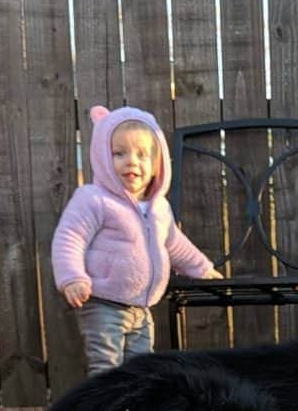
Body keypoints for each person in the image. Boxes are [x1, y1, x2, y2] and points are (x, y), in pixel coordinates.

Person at [52, 105, 222, 375]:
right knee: (106, 369)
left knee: (140, 371)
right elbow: (69, 238)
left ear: (157, 164)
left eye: (142, 155)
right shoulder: (94, 199)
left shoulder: (158, 207)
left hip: (141, 309)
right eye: (119, 153)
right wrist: (72, 278)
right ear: (103, 159)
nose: (131, 161)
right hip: (102, 303)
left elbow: (175, 244)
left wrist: (201, 268)